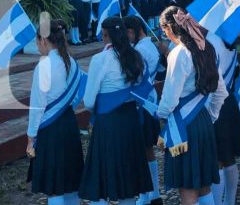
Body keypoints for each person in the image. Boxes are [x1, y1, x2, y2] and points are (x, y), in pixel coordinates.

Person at [79, 17, 153, 204]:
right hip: (130, 120)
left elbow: (88, 101)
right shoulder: (136, 56)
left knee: (101, 178)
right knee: (127, 182)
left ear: (106, 35)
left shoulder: (100, 59)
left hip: (108, 123)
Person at [157, 6, 227, 205]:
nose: (165, 35)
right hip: (202, 120)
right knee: (203, 184)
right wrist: (210, 116)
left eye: (164, 31)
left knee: (188, 186)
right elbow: (220, 91)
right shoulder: (206, 47)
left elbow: (169, 99)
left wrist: (159, 114)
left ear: (170, 28)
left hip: (183, 125)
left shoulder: (179, 53)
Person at [26, 20, 85, 205]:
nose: (37, 47)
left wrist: (30, 137)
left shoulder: (43, 66)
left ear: (44, 40)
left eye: (37, 42)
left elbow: (37, 106)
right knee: (70, 180)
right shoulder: (72, 62)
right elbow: (76, 95)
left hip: (50, 128)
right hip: (68, 122)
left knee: (54, 185)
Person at [124, 16, 163, 205]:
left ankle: (147, 195)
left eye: (127, 33)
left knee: (142, 151)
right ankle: (153, 193)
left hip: (141, 103)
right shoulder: (151, 46)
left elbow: (135, 79)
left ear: (132, 31)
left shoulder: (138, 50)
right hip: (151, 100)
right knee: (148, 150)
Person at [208, 31, 240, 205]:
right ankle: (229, 201)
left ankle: (218, 202)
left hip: (214, 103)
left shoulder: (211, 42)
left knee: (217, 159)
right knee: (229, 157)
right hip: (229, 101)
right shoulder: (229, 40)